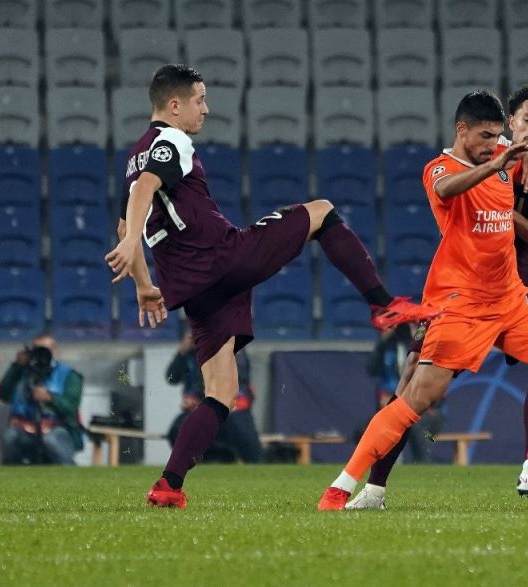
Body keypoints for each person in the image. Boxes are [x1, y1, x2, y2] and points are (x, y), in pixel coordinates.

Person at [104, 64, 442, 509]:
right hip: (221, 260)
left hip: (191, 288)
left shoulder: (134, 157)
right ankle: (382, 305)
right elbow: (144, 198)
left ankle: (169, 484)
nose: (206, 109)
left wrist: (144, 285)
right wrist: (131, 245)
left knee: (220, 392)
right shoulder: (170, 141)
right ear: (174, 105)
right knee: (322, 211)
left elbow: (130, 215)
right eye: (200, 100)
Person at [318, 90, 528, 510]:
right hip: (461, 306)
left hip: (512, 299)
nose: (492, 145)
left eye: (497, 138)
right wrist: (498, 164)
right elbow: (446, 188)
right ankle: (346, 488)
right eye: (485, 137)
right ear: (462, 130)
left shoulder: (502, 156)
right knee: (414, 397)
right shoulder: (441, 168)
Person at [166, 332, 262, 463]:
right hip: (199, 408)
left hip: (231, 410)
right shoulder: (191, 352)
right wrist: (181, 352)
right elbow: (171, 378)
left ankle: (257, 471)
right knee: (177, 430)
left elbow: (241, 381)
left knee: (246, 438)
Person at [364, 324, 444, 463]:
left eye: (414, 325)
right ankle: (380, 468)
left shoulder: (429, 350)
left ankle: (423, 467)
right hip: (394, 410)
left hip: (427, 414)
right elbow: (372, 370)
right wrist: (382, 342)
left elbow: (438, 392)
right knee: (364, 428)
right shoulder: (389, 348)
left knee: (414, 427)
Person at [0, 334, 83, 465]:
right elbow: (4, 394)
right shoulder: (22, 372)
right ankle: (15, 476)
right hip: (26, 431)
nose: (41, 354)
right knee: (9, 436)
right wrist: (16, 366)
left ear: (55, 351)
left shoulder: (69, 376)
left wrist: (51, 398)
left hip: (58, 429)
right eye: (37, 349)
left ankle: (70, 472)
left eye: (46, 350)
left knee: (51, 439)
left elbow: (71, 406)